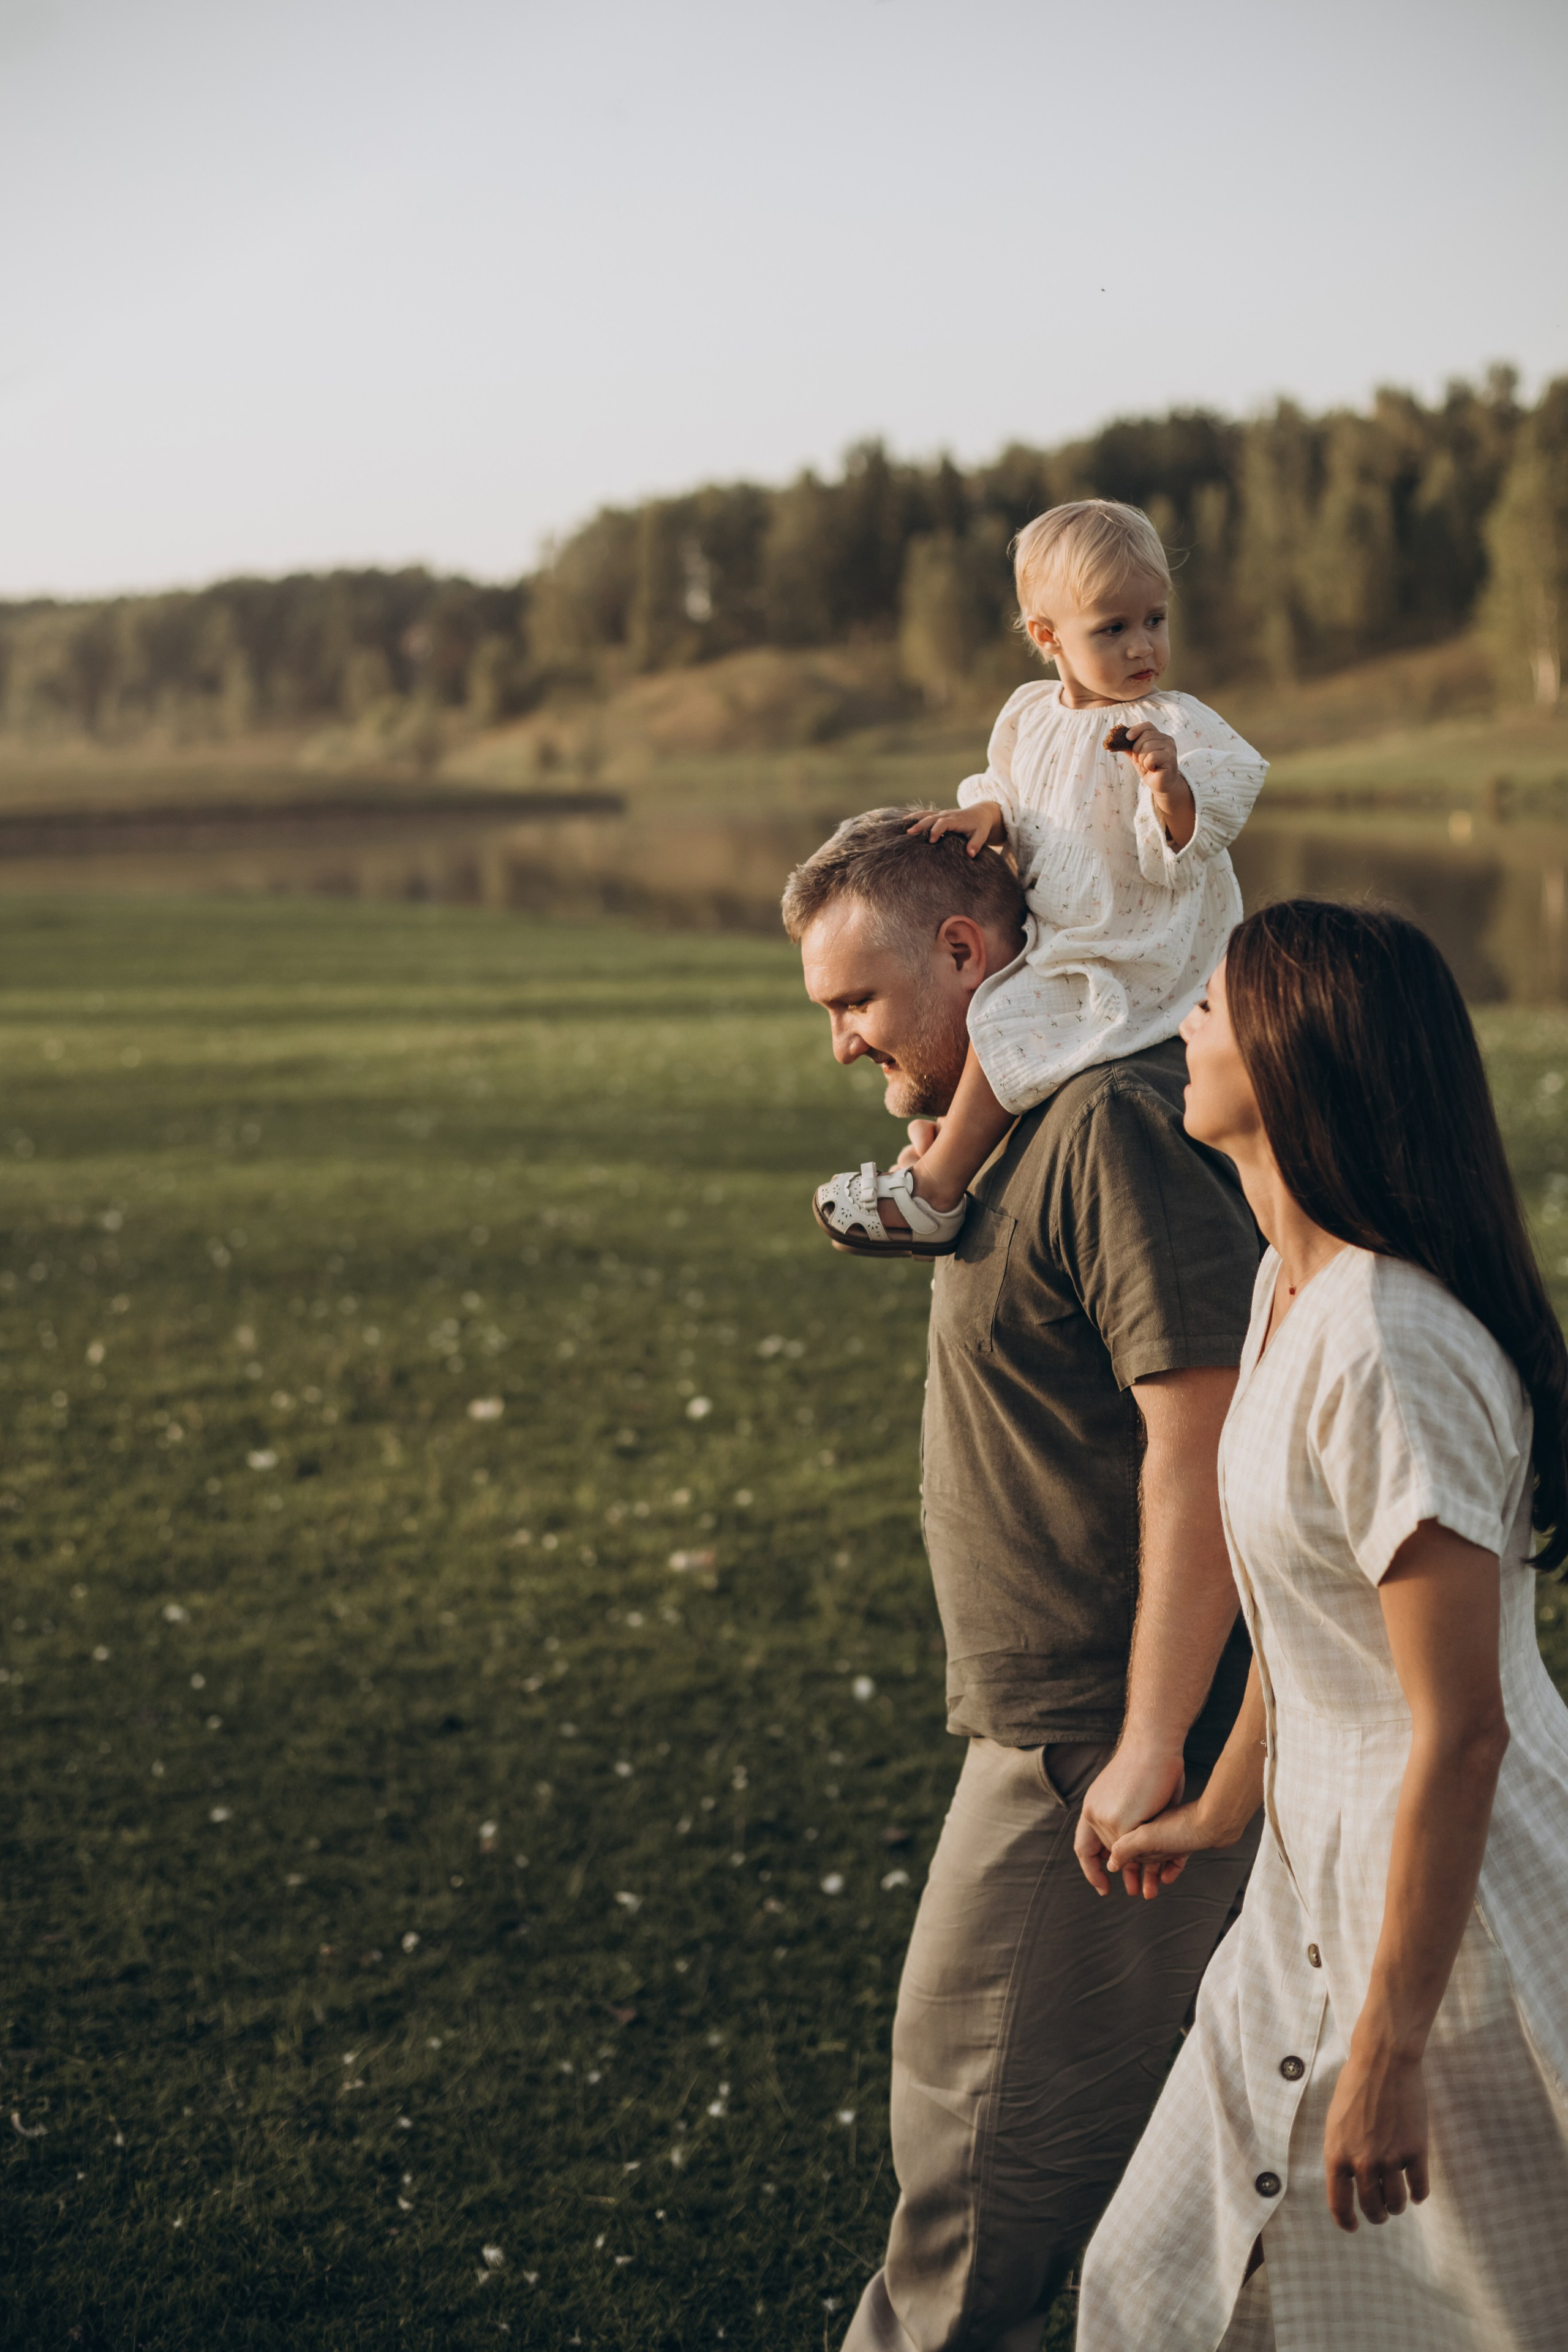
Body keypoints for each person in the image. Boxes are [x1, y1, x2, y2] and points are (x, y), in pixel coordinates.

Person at [781, 809, 1263, 2352]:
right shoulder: (1003, 1135)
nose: (841, 1045)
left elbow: (1203, 1446)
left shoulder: (1108, 1127)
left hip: (1089, 1740)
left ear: (966, 954)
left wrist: (1139, 1735)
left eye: (855, 1003)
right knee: (1174, 2153)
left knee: (968, 2174)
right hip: (1049, 1721)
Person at [1076, 899, 1568, 2352]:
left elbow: (1458, 1727)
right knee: (1151, 2289)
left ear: (1297, 1055)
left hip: (1451, 1922)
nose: (1183, 1023)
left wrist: (1391, 2051)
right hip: (1306, 1895)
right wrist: (1217, 1808)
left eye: (1212, 1008)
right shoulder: (1282, 1289)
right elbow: (1310, 1632)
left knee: (1474, 2311)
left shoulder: (1388, 1345)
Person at [812, 499, 1266, 1259]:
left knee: (1006, 1017)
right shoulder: (1029, 714)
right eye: (1112, 629)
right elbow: (1016, 791)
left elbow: (1206, 827)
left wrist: (1168, 788)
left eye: (1154, 619)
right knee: (999, 1012)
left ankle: (937, 1190)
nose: (1141, 646)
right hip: (1062, 932)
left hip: (1141, 940)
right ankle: (958, 1149)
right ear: (1048, 636)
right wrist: (989, 813)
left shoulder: (1174, 724)